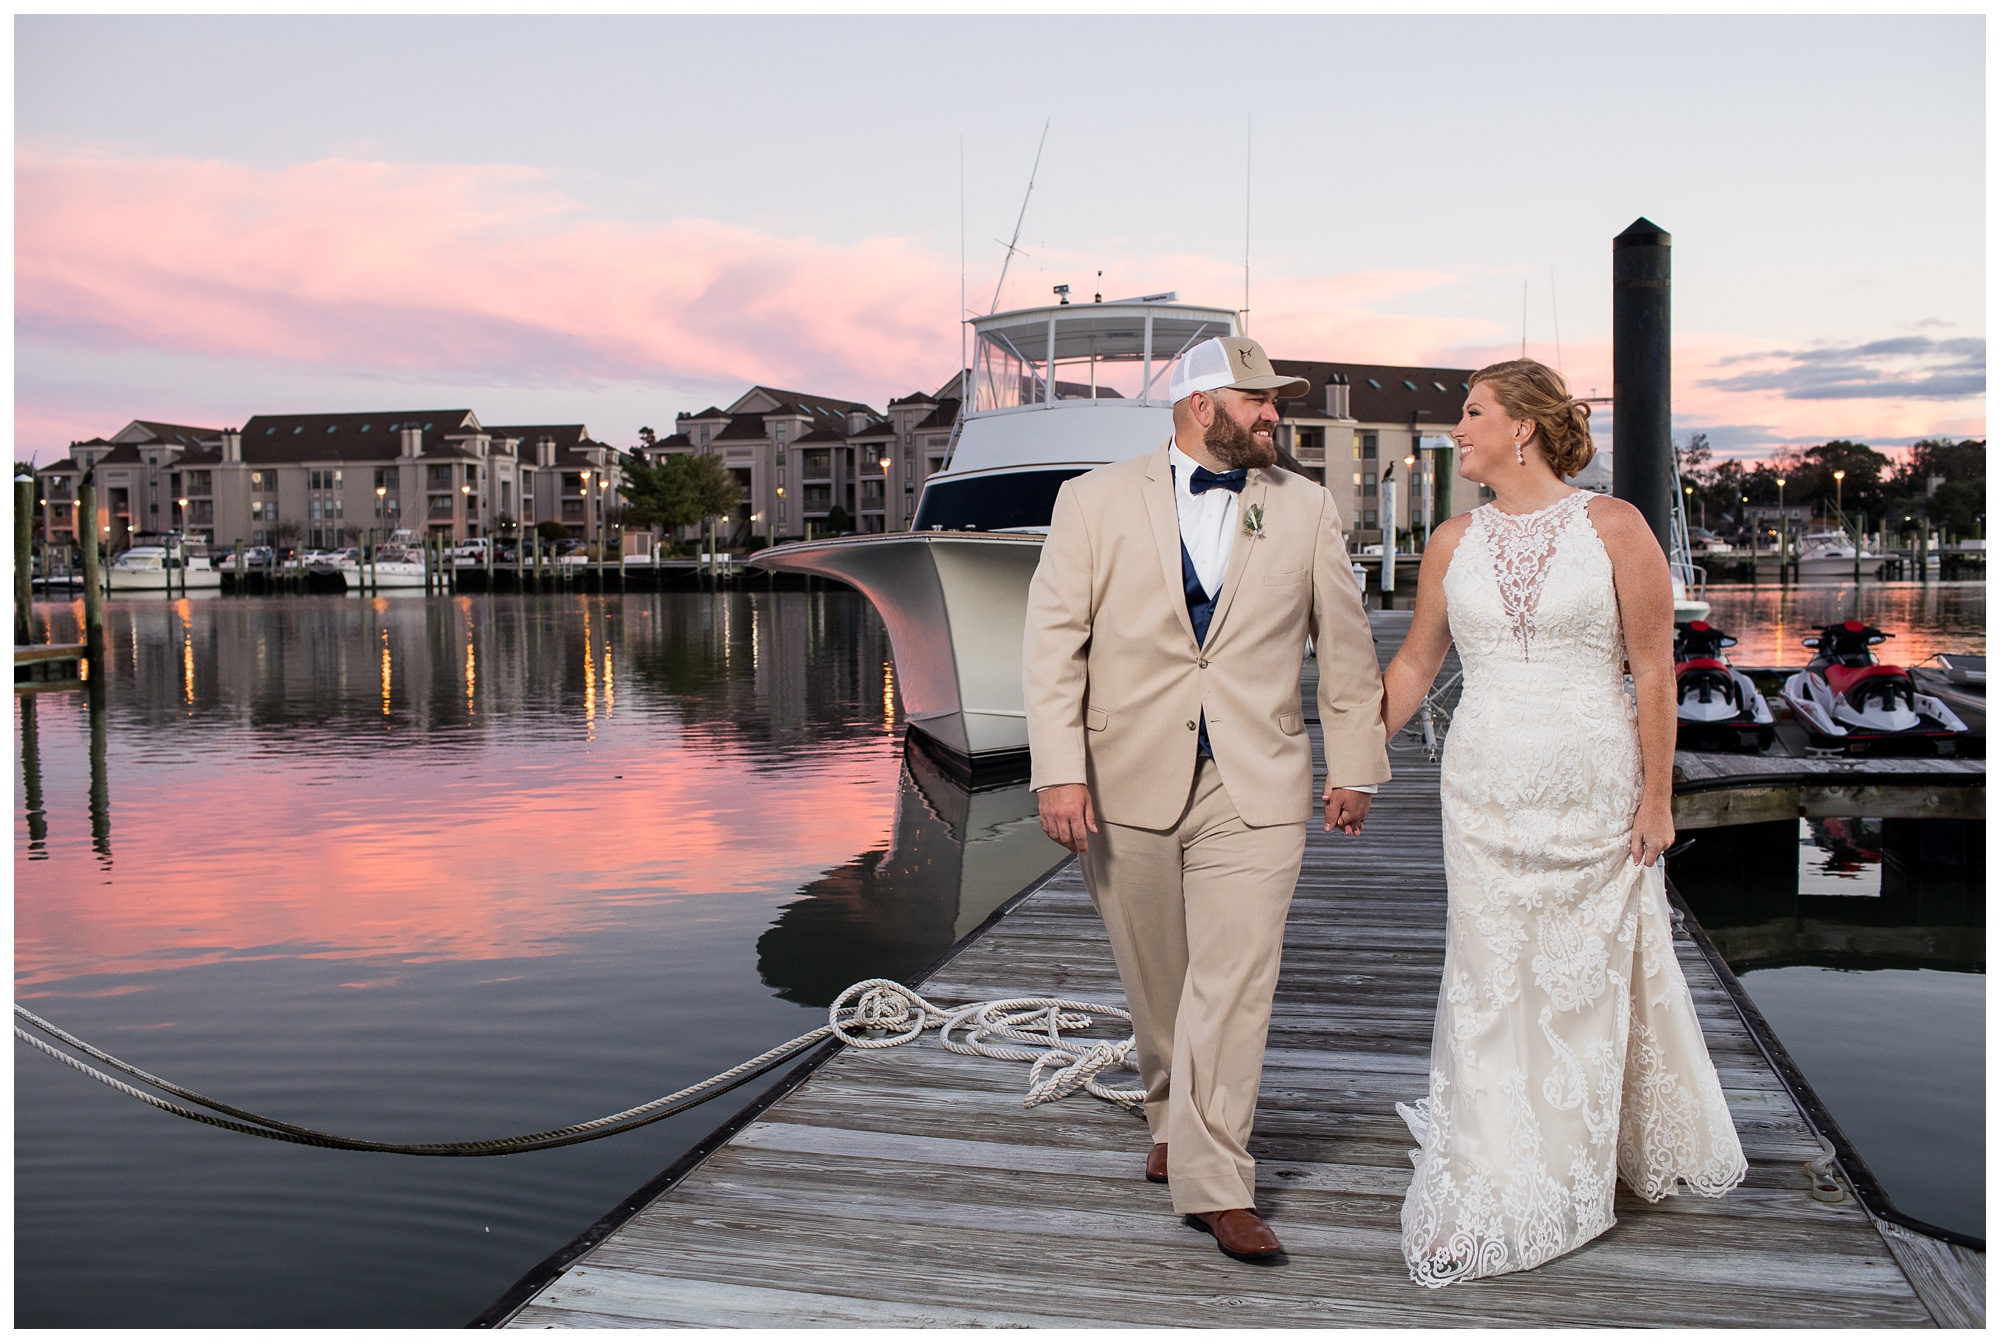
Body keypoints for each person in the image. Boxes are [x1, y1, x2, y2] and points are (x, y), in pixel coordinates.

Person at [1023, 335, 1390, 1263]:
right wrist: (1057, 769)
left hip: (1254, 780)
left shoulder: (1304, 507)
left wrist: (1356, 764)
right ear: (1200, 405)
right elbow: (1052, 644)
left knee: (1234, 984)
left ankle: (1217, 1180)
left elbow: (1345, 650)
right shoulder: (1092, 501)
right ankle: (1166, 1113)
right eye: (1258, 398)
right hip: (1124, 775)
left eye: (1275, 400)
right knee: (1160, 977)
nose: (1275, 412)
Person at [1380, 359, 1746, 1288]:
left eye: (1471, 414)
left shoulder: (1616, 526)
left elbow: (1656, 670)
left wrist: (1659, 797)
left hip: (1595, 790)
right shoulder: (1451, 540)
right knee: (1491, 979)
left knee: (1584, 979)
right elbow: (1418, 665)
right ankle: (1490, 1169)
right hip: (1483, 790)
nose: (1456, 430)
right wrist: (1351, 751)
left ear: (1525, 429)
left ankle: (1579, 1167)